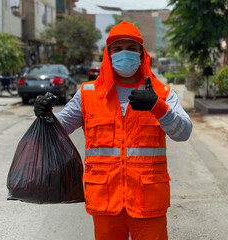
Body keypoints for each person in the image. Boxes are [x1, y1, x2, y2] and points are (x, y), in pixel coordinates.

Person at [34, 21, 192, 240]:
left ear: (141, 53)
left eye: (131, 48)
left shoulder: (161, 93)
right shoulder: (88, 93)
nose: (124, 54)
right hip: (105, 199)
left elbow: (183, 132)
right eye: (117, 49)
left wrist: (158, 107)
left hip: (148, 200)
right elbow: (60, 128)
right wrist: (45, 116)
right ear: (108, 55)